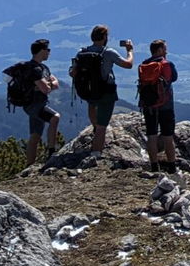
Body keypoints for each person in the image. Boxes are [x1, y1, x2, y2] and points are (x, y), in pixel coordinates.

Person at [76, 25, 133, 153]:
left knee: (93, 112)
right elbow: (128, 64)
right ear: (104, 37)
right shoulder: (108, 52)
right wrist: (130, 51)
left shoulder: (82, 52)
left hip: (90, 90)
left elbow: (73, 72)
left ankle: (95, 133)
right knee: (102, 126)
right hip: (106, 91)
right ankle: (96, 153)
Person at [137, 39, 180, 173]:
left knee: (151, 136)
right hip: (166, 106)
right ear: (160, 50)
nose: (166, 50)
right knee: (168, 137)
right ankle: (172, 166)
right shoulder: (167, 64)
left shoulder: (144, 65)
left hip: (149, 106)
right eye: (165, 48)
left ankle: (154, 166)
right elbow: (174, 78)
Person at [18, 38, 61, 165]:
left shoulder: (41, 67)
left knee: (35, 136)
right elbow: (46, 88)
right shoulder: (35, 70)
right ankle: (52, 151)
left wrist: (50, 84)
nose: (49, 52)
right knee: (55, 117)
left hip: (33, 105)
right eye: (48, 49)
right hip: (36, 105)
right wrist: (50, 84)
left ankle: (29, 165)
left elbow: (52, 85)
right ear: (41, 51)